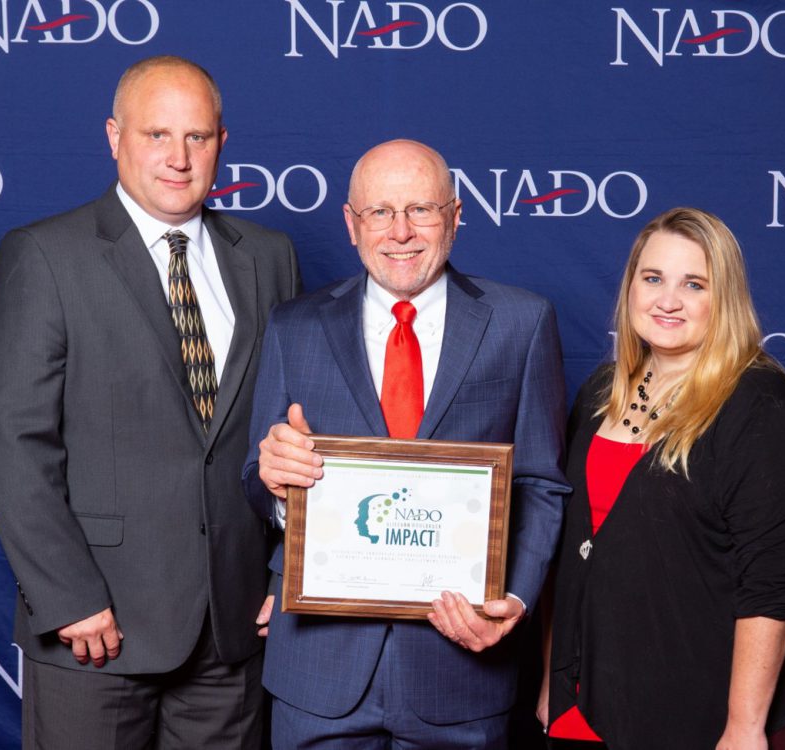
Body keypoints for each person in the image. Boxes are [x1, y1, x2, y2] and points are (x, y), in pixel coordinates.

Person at [0, 55, 301, 749]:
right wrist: (68, 598)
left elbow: (289, 431)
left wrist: (287, 573)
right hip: (98, 629)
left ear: (221, 144)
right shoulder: (45, 255)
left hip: (232, 626)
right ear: (114, 137)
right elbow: (12, 441)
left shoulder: (270, 257)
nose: (179, 159)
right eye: (157, 135)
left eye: (198, 138)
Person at [242, 139, 570, 748]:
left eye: (421, 209)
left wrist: (516, 600)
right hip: (320, 674)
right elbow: (254, 479)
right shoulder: (295, 325)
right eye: (379, 213)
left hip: (460, 671)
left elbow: (542, 485)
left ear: (455, 214)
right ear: (351, 223)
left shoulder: (521, 323)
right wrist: (277, 485)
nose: (400, 232)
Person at [537, 207, 785, 750]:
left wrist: (744, 729)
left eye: (694, 284)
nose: (667, 300)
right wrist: (553, 681)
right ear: (631, 285)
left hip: (712, 714)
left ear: (723, 299)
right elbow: (576, 554)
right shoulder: (599, 393)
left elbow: (770, 593)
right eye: (652, 278)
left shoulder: (765, 412)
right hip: (594, 699)